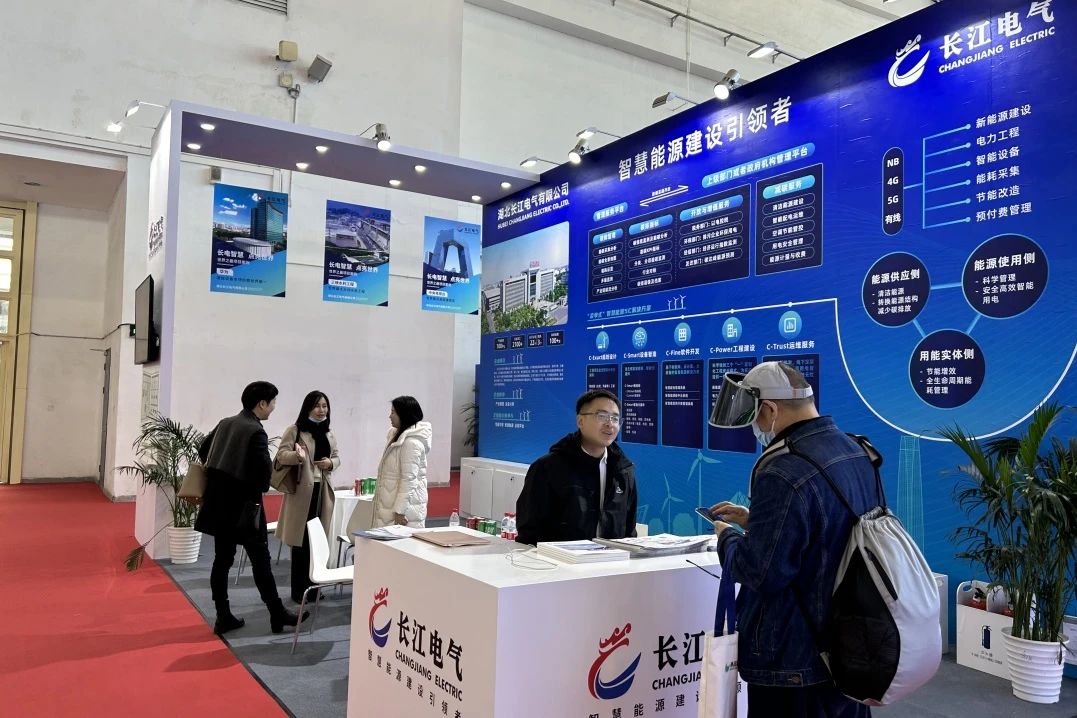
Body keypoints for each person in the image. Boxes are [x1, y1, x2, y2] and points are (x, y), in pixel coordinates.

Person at [707, 361, 876, 717]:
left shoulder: (782, 469)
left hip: (793, 657)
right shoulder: (856, 450)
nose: (755, 427)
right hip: (849, 646)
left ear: (769, 410)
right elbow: (831, 530)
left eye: (755, 417)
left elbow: (762, 572)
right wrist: (756, 521)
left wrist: (728, 538)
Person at [195, 381, 308, 636]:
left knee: (222, 560)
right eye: (273, 402)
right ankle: (277, 613)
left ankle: (223, 615)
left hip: (219, 504)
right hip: (246, 508)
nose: (274, 407)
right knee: (261, 561)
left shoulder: (226, 423)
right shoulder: (256, 431)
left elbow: (203, 450)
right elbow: (262, 477)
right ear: (262, 403)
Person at [515, 389, 637, 545]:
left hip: (612, 559)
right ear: (580, 421)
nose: (610, 424)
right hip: (557, 559)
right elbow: (529, 530)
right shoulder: (548, 467)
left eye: (615, 418)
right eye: (602, 416)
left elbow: (629, 530)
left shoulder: (623, 471)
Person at [274, 390, 340, 603]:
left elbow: (336, 457)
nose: (322, 410)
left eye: (325, 406)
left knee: (317, 541)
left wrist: (331, 463)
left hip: (322, 491)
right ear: (308, 408)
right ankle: (299, 590)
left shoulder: (329, 433)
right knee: (301, 542)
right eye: (317, 406)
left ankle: (314, 588)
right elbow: (281, 456)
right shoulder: (295, 430)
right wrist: (298, 456)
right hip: (302, 493)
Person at [372, 396, 432, 528]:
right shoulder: (395, 436)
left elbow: (409, 480)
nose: (390, 416)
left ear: (404, 415)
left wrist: (400, 510)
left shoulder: (411, 444)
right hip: (391, 502)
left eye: (393, 412)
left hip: (404, 510)